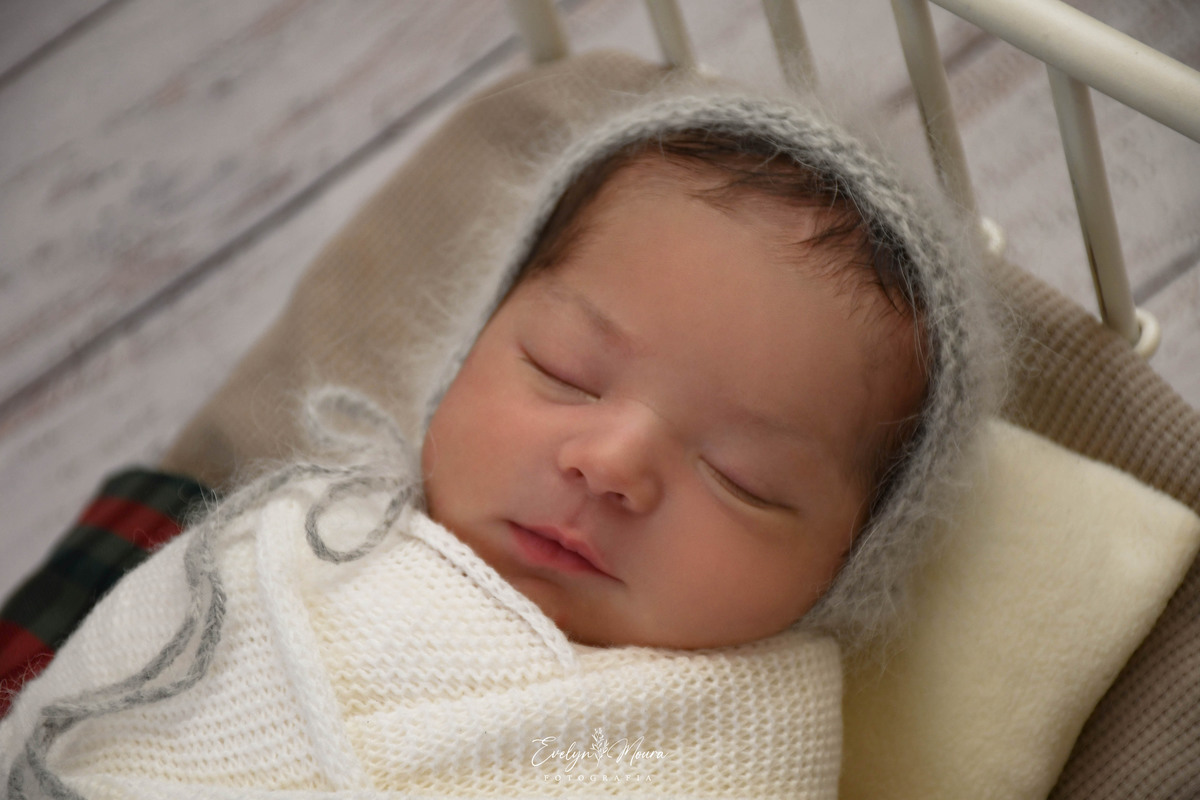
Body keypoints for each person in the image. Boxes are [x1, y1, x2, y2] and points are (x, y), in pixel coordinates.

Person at [0, 90, 992, 797]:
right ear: (467, 352)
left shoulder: (732, 748)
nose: (608, 464)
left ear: (844, 571)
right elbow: (100, 684)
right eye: (565, 370)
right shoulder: (296, 539)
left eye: (742, 477)